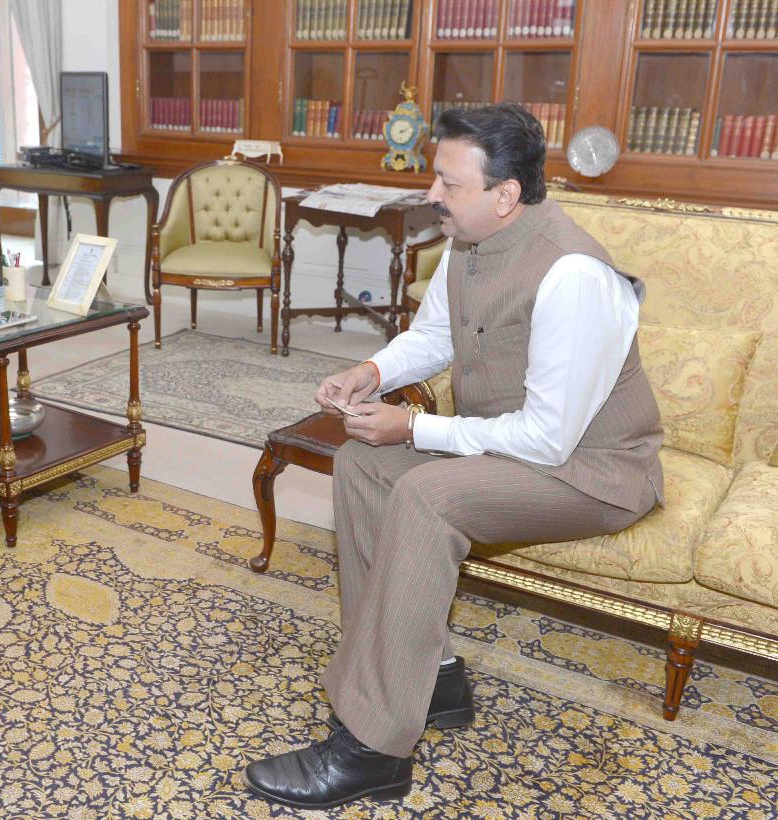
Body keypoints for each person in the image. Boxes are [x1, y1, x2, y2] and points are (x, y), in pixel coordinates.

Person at [243, 103, 664, 809]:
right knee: (362, 464)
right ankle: (432, 677)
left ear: (505, 194)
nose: (432, 193)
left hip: (594, 472)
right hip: (514, 447)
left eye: (449, 183)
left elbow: (548, 439)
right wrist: (372, 371)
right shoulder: (469, 242)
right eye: (435, 176)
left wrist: (414, 428)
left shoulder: (573, 275)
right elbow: (435, 335)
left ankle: (374, 750)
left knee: (425, 494)